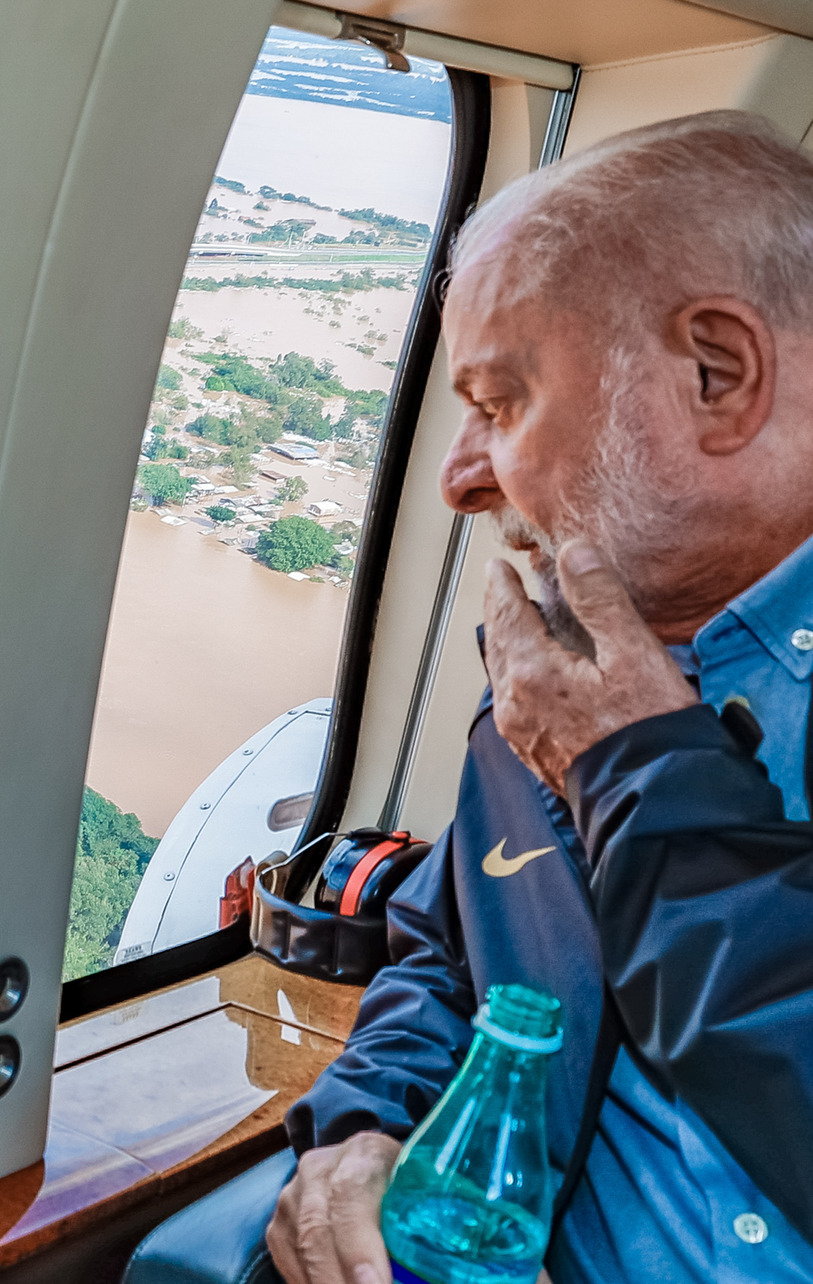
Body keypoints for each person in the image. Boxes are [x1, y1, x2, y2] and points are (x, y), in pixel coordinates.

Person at [264, 110, 813, 1284]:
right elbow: (453, 956)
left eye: (500, 401)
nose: (463, 476)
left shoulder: (597, 723)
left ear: (718, 376)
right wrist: (369, 1125)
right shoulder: (560, 684)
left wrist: (640, 770)